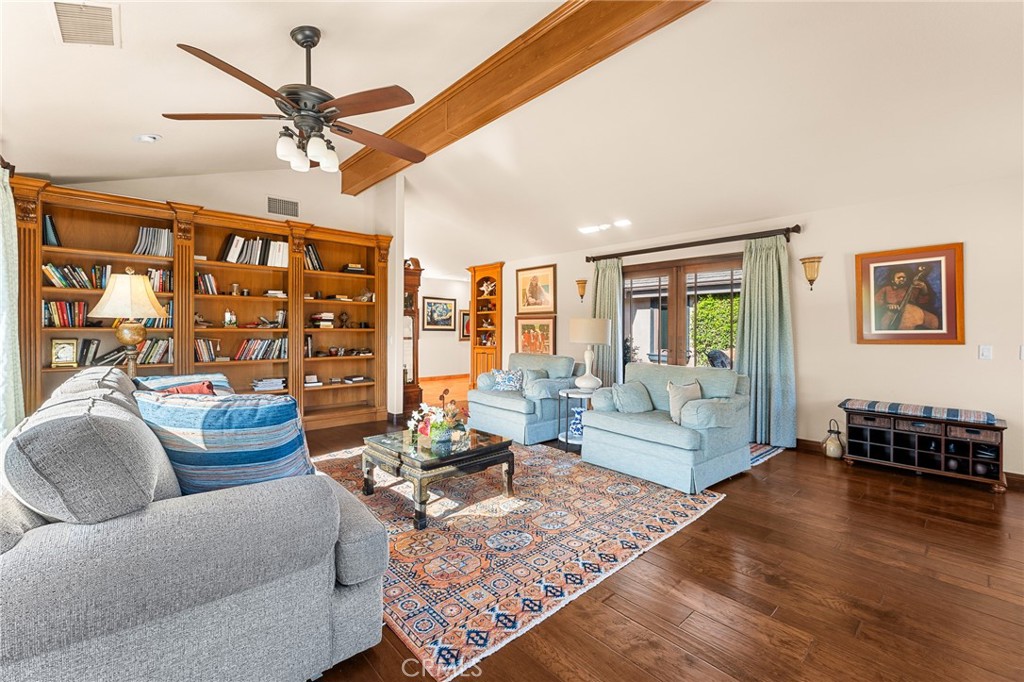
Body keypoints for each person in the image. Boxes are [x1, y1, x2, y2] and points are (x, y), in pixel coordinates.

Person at [874, 267, 939, 330]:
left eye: (903, 277)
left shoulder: (911, 288)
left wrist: (924, 288)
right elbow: (875, 303)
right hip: (891, 315)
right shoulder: (886, 289)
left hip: (911, 316)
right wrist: (887, 306)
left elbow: (923, 301)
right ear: (893, 280)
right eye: (899, 278)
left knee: (932, 321)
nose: (902, 279)